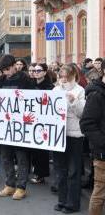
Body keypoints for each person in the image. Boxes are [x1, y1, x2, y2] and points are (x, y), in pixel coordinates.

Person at [0, 54, 35, 200]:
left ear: (14, 65)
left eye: (8, 69)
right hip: (6, 126)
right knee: (6, 156)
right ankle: (9, 184)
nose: (6, 72)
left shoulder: (25, 79)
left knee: (21, 157)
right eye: (4, 70)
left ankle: (21, 187)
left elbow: (33, 99)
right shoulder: (1, 80)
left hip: (21, 125)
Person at [53, 64, 86, 213]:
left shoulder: (80, 90)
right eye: (62, 76)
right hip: (59, 135)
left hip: (74, 135)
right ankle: (62, 200)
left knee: (73, 171)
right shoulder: (56, 89)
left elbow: (82, 113)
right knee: (60, 170)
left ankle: (72, 203)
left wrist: (74, 101)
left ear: (74, 76)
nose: (64, 79)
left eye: (67, 76)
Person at [80, 60, 105, 215]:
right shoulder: (96, 94)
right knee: (100, 193)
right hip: (102, 154)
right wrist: (102, 143)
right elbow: (87, 124)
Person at [30, 63, 54, 185]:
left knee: (41, 150)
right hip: (31, 120)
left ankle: (41, 174)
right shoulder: (30, 84)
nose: (36, 72)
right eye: (34, 70)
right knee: (33, 149)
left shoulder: (50, 87)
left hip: (43, 121)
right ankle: (36, 170)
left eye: (39, 70)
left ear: (45, 72)